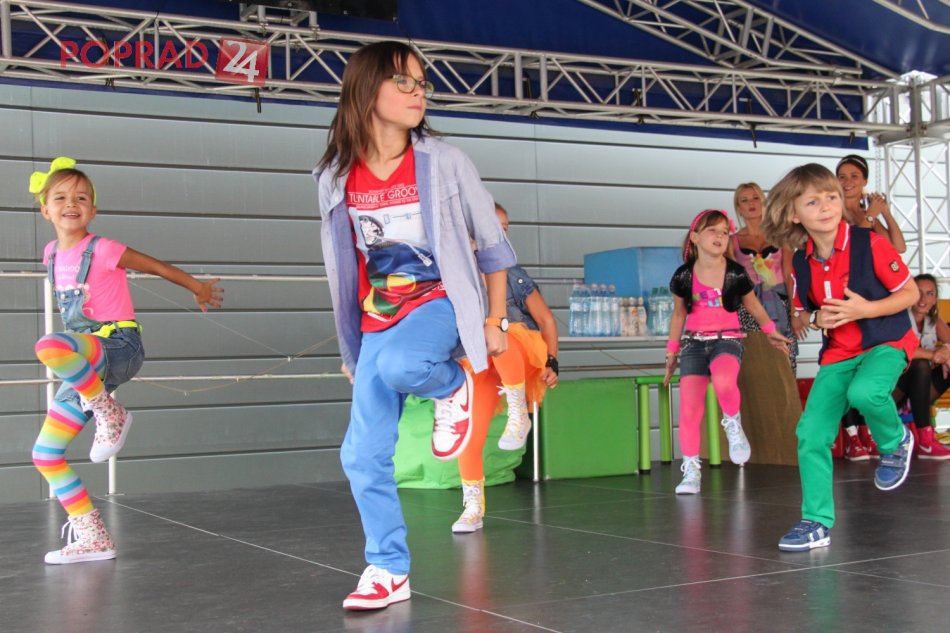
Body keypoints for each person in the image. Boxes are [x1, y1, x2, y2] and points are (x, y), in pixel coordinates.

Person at [313, 41, 515, 611]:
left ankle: (453, 386)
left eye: (422, 82)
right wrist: (352, 350)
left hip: (442, 301)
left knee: (408, 364)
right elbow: (345, 266)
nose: (418, 92)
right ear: (366, 90)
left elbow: (493, 245)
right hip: (378, 320)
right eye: (403, 81)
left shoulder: (444, 161)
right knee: (361, 455)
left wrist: (495, 319)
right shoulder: (335, 177)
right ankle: (388, 568)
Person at [29, 157, 223, 564]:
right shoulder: (50, 254)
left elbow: (154, 266)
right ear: (45, 210)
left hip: (118, 346)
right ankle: (93, 536)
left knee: (50, 345)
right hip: (87, 368)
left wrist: (197, 287)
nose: (71, 204)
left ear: (93, 210)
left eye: (82, 198)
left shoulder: (103, 248)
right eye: (60, 198)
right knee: (45, 453)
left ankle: (109, 412)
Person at [762, 163, 919, 552]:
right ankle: (816, 521)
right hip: (839, 352)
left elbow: (911, 294)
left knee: (865, 393)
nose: (827, 206)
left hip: (886, 341)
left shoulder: (870, 244)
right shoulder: (801, 262)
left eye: (831, 197)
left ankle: (895, 441)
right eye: (813, 202)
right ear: (794, 214)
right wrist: (816, 318)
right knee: (810, 433)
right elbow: (805, 313)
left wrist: (864, 310)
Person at [664, 209, 789, 495]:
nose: (719, 236)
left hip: (727, 340)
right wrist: (671, 353)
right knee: (689, 409)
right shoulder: (684, 275)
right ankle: (691, 471)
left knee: (723, 381)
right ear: (695, 237)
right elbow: (678, 315)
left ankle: (732, 422)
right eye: (712, 231)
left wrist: (771, 331)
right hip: (694, 344)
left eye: (724, 232)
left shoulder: (735, 272)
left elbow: (753, 305)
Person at [453, 203, 560, 534]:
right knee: (469, 434)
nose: (499, 235)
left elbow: (546, 319)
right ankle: (473, 507)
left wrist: (553, 361)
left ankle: (518, 413)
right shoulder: (456, 277)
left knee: (501, 330)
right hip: (481, 362)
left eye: (505, 229)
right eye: (493, 228)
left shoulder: (512, 273)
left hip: (520, 348)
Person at [835, 155, 906, 459]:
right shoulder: (835, 211)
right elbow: (855, 246)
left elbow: (898, 247)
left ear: (864, 180)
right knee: (847, 364)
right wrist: (871, 217)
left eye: (854, 176)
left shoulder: (870, 211)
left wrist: (884, 212)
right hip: (848, 294)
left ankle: (872, 432)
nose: (847, 181)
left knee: (871, 368)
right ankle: (853, 434)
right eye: (842, 176)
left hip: (876, 297)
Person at [732, 182, 805, 371]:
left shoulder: (780, 235)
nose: (751, 203)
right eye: (744, 200)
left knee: (784, 359)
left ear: (763, 202)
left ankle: (786, 391)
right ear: (738, 208)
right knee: (755, 361)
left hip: (780, 303)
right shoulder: (733, 241)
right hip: (748, 306)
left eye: (755, 198)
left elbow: (789, 275)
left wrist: (795, 312)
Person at [892, 274, 950, 459]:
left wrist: (947, 353)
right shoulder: (898, 319)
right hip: (892, 390)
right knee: (920, 364)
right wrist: (935, 355)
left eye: (929, 293)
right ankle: (926, 442)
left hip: (919, 392)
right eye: (918, 293)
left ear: (935, 298)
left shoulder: (935, 322)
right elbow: (904, 350)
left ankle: (926, 438)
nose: (923, 299)